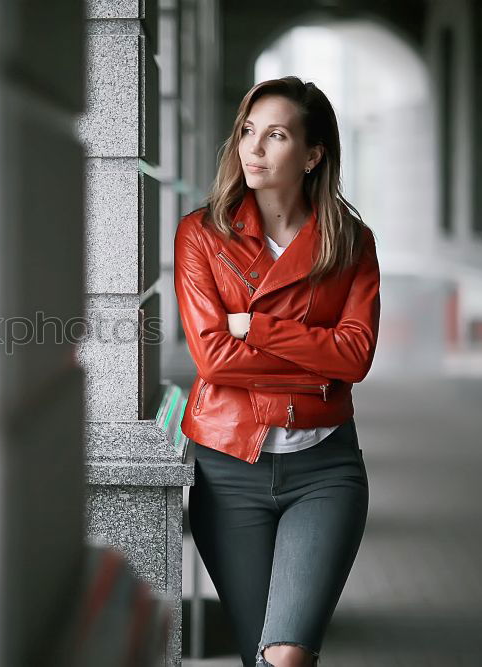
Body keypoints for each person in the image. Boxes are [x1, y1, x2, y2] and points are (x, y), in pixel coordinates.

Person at [173, 76, 380, 666]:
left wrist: (256, 329)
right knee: (257, 654)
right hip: (227, 468)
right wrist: (317, 363)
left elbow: (356, 356)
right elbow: (213, 356)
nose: (254, 148)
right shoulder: (202, 235)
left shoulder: (351, 242)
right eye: (247, 131)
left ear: (312, 155)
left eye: (277, 134)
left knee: (289, 655)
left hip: (325, 470)